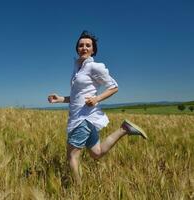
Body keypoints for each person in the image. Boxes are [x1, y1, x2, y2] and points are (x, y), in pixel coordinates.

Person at [47, 30, 147, 185]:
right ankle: (125, 129)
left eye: (88, 45)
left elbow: (114, 87)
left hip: (83, 119)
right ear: (77, 48)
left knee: (72, 157)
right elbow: (77, 97)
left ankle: (78, 190)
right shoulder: (78, 69)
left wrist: (97, 98)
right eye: (81, 45)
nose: (84, 48)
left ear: (93, 50)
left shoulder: (95, 67)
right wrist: (60, 99)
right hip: (79, 116)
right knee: (97, 153)